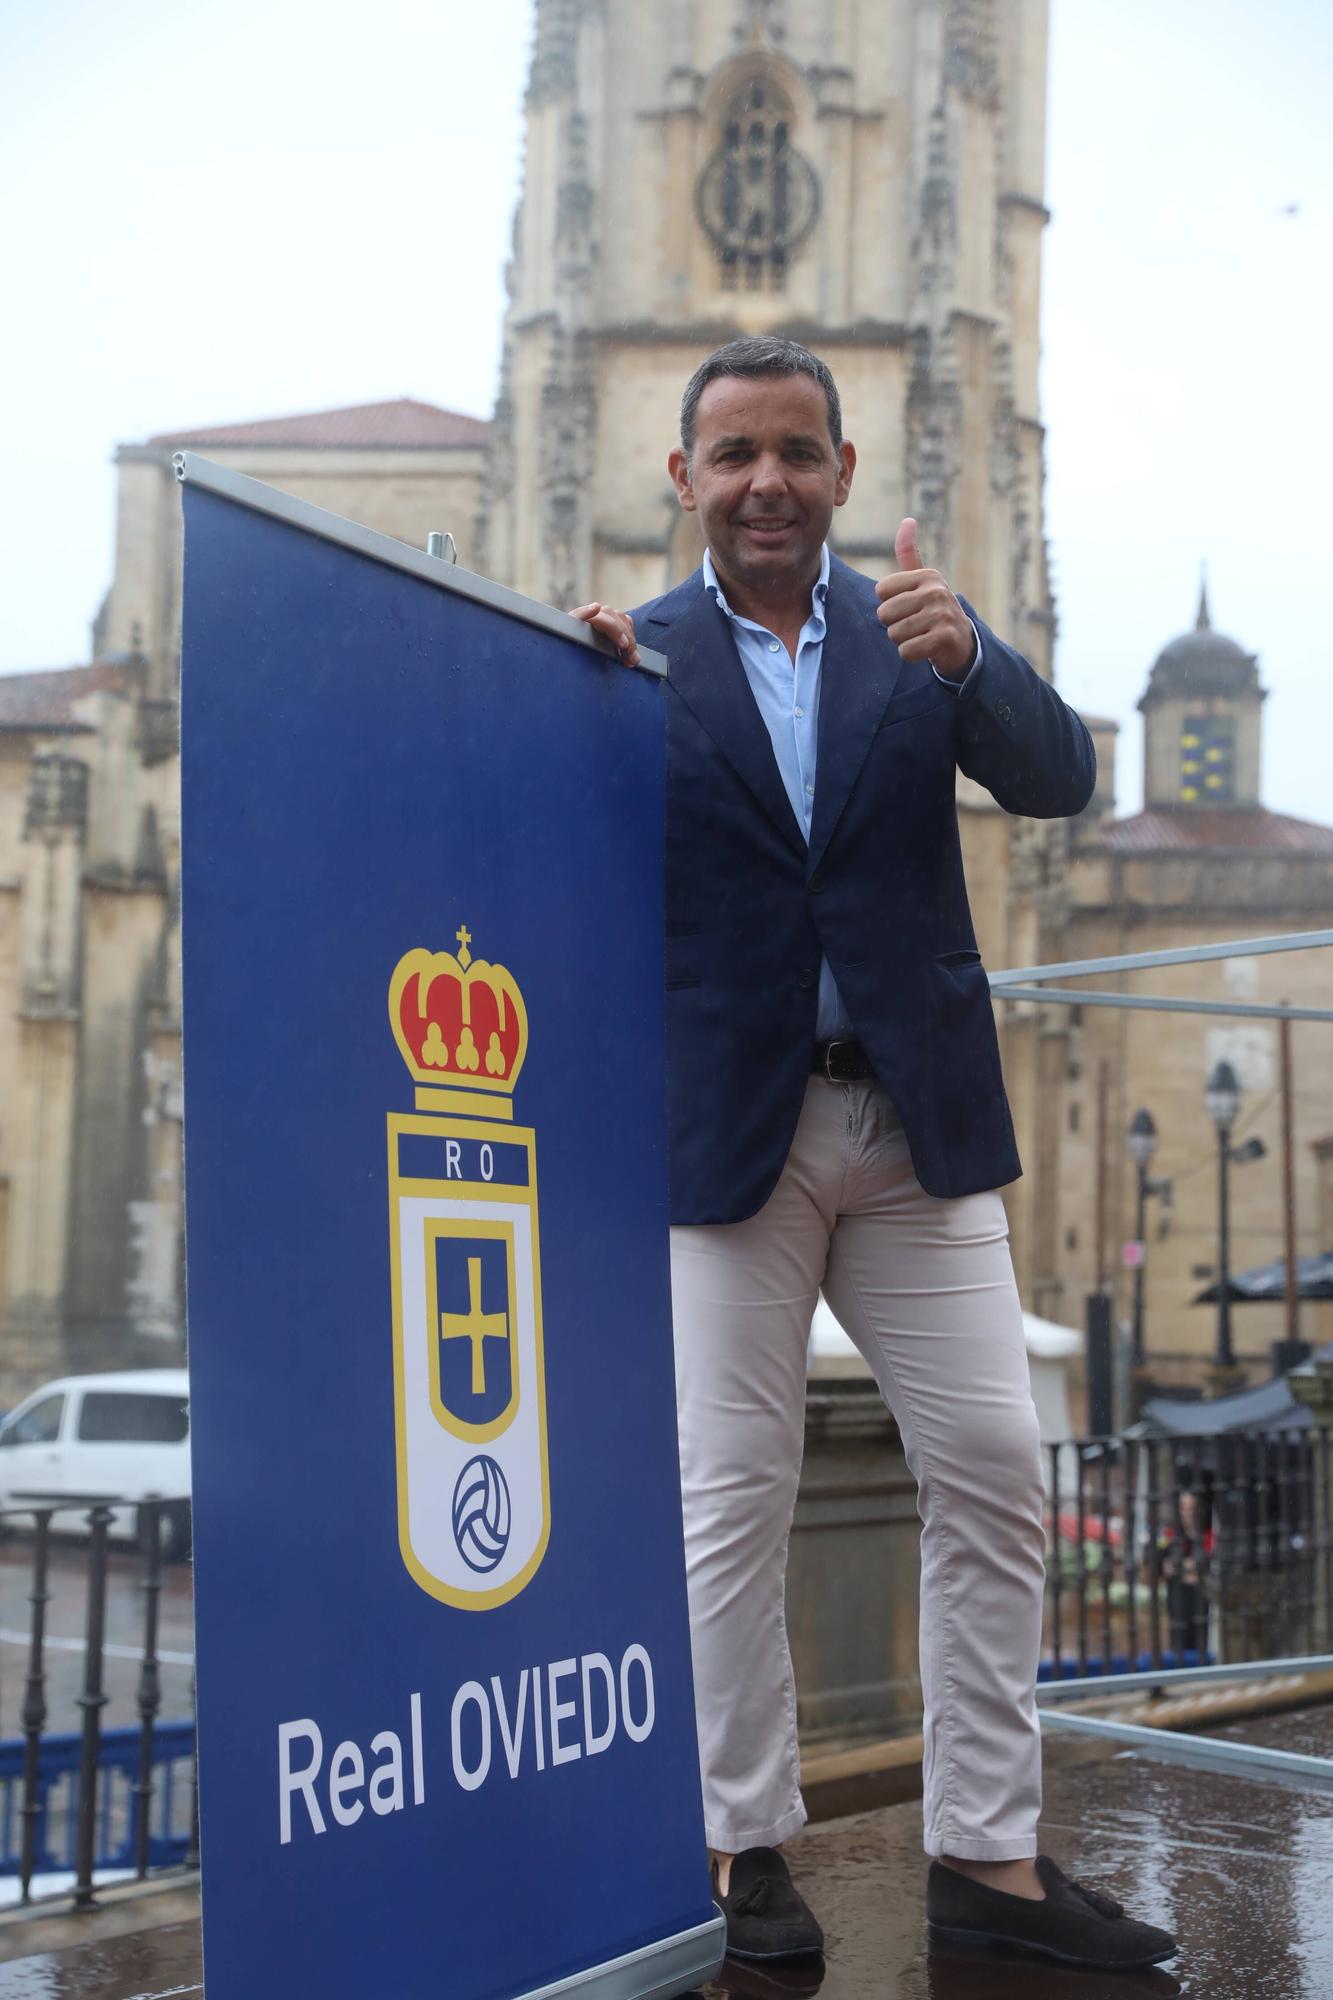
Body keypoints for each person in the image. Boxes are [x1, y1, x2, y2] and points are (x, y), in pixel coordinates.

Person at [573, 335, 1176, 1974]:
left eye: (794, 451)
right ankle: (743, 1853)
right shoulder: (630, 658)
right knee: (728, 1502)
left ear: (841, 473)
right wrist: (570, 698)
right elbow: (553, 854)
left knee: (992, 1466)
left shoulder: (916, 632)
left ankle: (983, 1865)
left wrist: (975, 653)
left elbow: (1058, 779)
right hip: (730, 1138)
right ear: (682, 480)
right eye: (732, 454)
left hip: (912, 1125)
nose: (764, 479)